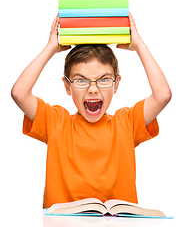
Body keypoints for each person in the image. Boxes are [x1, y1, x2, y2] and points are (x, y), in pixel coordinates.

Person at [11, 13, 171, 209]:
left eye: (104, 79)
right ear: (67, 87)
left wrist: (139, 46)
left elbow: (163, 94)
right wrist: (50, 48)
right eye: (81, 80)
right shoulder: (56, 122)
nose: (93, 88)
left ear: (116, 84)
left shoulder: (126, 122)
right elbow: (19, 93)